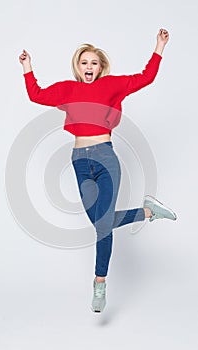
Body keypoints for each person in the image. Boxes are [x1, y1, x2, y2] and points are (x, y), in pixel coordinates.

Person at [19, 28, 177, 313]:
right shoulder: (68, 89)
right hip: (80, 160)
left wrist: (159, 46)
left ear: (101, 67)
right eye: (84, 63)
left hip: (106, 158)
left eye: (93, 62)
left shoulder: (112, 85)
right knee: (100, 222)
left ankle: (99, 282)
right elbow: (36, 95)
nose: (88, 67)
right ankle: (148, 212)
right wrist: (27, 66)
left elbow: (146, 77)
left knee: (102, 226)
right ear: (77, 67)